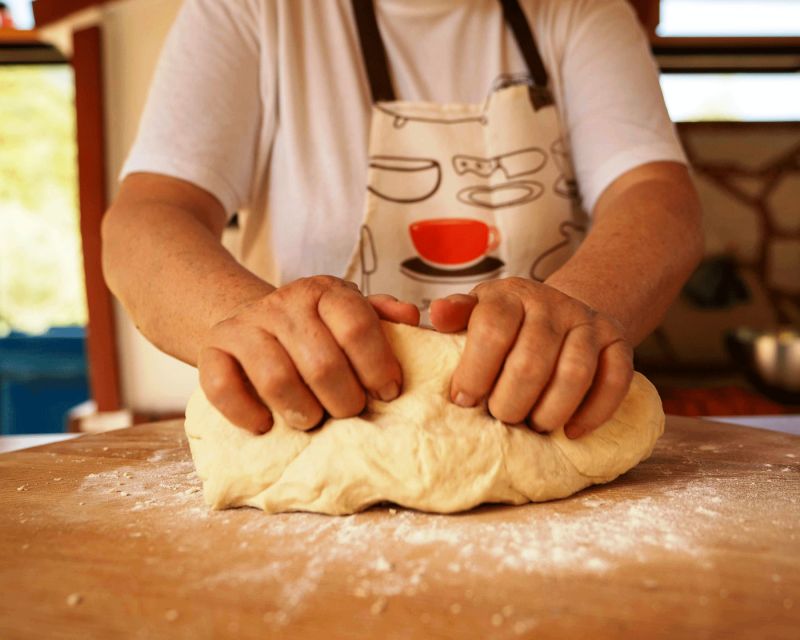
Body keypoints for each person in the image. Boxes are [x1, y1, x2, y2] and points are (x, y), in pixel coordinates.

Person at [102, 0, 703, 440]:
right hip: (315, 425)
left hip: (545, 418)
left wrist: (575, 315)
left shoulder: (578, 9)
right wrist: (244, 322)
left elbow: (656, 198)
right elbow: (147, 217)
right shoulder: (253, 10)